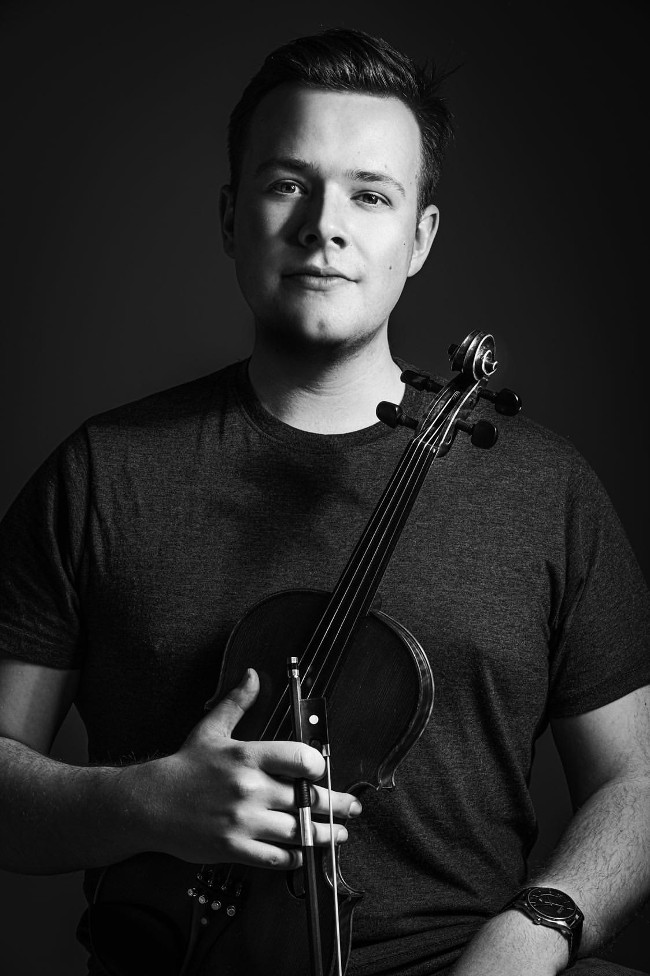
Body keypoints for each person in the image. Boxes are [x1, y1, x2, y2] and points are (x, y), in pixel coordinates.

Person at [0, 26, 648, 976]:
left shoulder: (545, 487)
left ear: (419, 238)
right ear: (231, 217)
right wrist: (147, 806)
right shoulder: (103, 473)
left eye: (371, 195)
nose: (323, 226)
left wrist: (539, 925)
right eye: (286, 184)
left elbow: (637, 777)